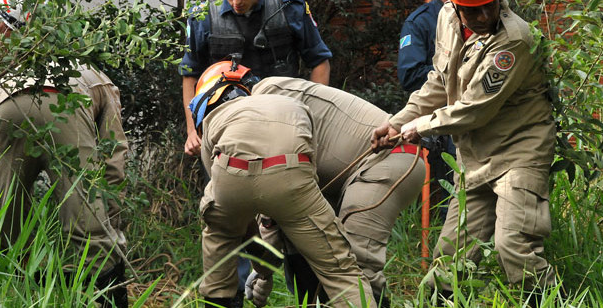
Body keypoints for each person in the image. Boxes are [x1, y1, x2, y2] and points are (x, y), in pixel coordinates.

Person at [372, 0, 557, 304]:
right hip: (474, 155)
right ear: (455, 6)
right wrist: (397, 123)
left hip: (520, 151)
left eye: (490, 6)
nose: (484, 16)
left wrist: (419, 127)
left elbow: (475, 110)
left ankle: (551, 300)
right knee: (450, 256)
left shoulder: (514, 39)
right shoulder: (446, 18)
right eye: (473, 10)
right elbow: (439, 82)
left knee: (513, 246)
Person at [190, 61, 375, 308]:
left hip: (229, 174)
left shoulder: (214, 117)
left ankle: (219, 298)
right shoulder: (290, 103)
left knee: (219, 236)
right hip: (292, 173)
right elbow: (310, 162)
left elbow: (217, 182)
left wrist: (259, 257)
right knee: (339, 268)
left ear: (205, 102)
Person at [0, 3, 129, 306]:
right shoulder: (97, 78)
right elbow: (114, 160)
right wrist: (110, 222)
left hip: (4, 98)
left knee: (4, 212)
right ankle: (103, 296)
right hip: (67, 101)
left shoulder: (17, 68)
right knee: (89, 226)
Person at [247, 76, 426, 307]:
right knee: (304, 243)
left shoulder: (267, 102)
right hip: (355, 172)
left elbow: (278, 192)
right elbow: (281, 212)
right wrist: (264, 272)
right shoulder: (262, 109)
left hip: (390, 157)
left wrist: (264, 271)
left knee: (352, 265)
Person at [179, 0, 332, 156]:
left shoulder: (290, 7)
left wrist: (313, 120)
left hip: (286, 123)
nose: (236, 2)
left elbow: (320, 62)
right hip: (225, 129)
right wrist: (193, 131)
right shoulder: (203, 15)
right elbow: (190, 74)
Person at [398, 0, 455, 220]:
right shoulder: (421, 21)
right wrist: (454, 67)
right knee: (453, 197)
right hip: (444, 121)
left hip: (481, 115)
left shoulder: (480, 11)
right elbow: (409, 75)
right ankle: (452, 253)